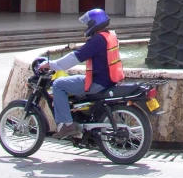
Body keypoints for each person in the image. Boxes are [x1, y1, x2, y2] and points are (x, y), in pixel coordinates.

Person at [39, 8, 124, 139]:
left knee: (58, 85)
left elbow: (75, 57)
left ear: (94, 23)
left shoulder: (97, 40)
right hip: (109, 80)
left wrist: (51, 65)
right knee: (72, 82)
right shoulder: (111, 36)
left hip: (97, 82)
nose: (87, 26)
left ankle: (67, 125)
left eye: (88, 23)